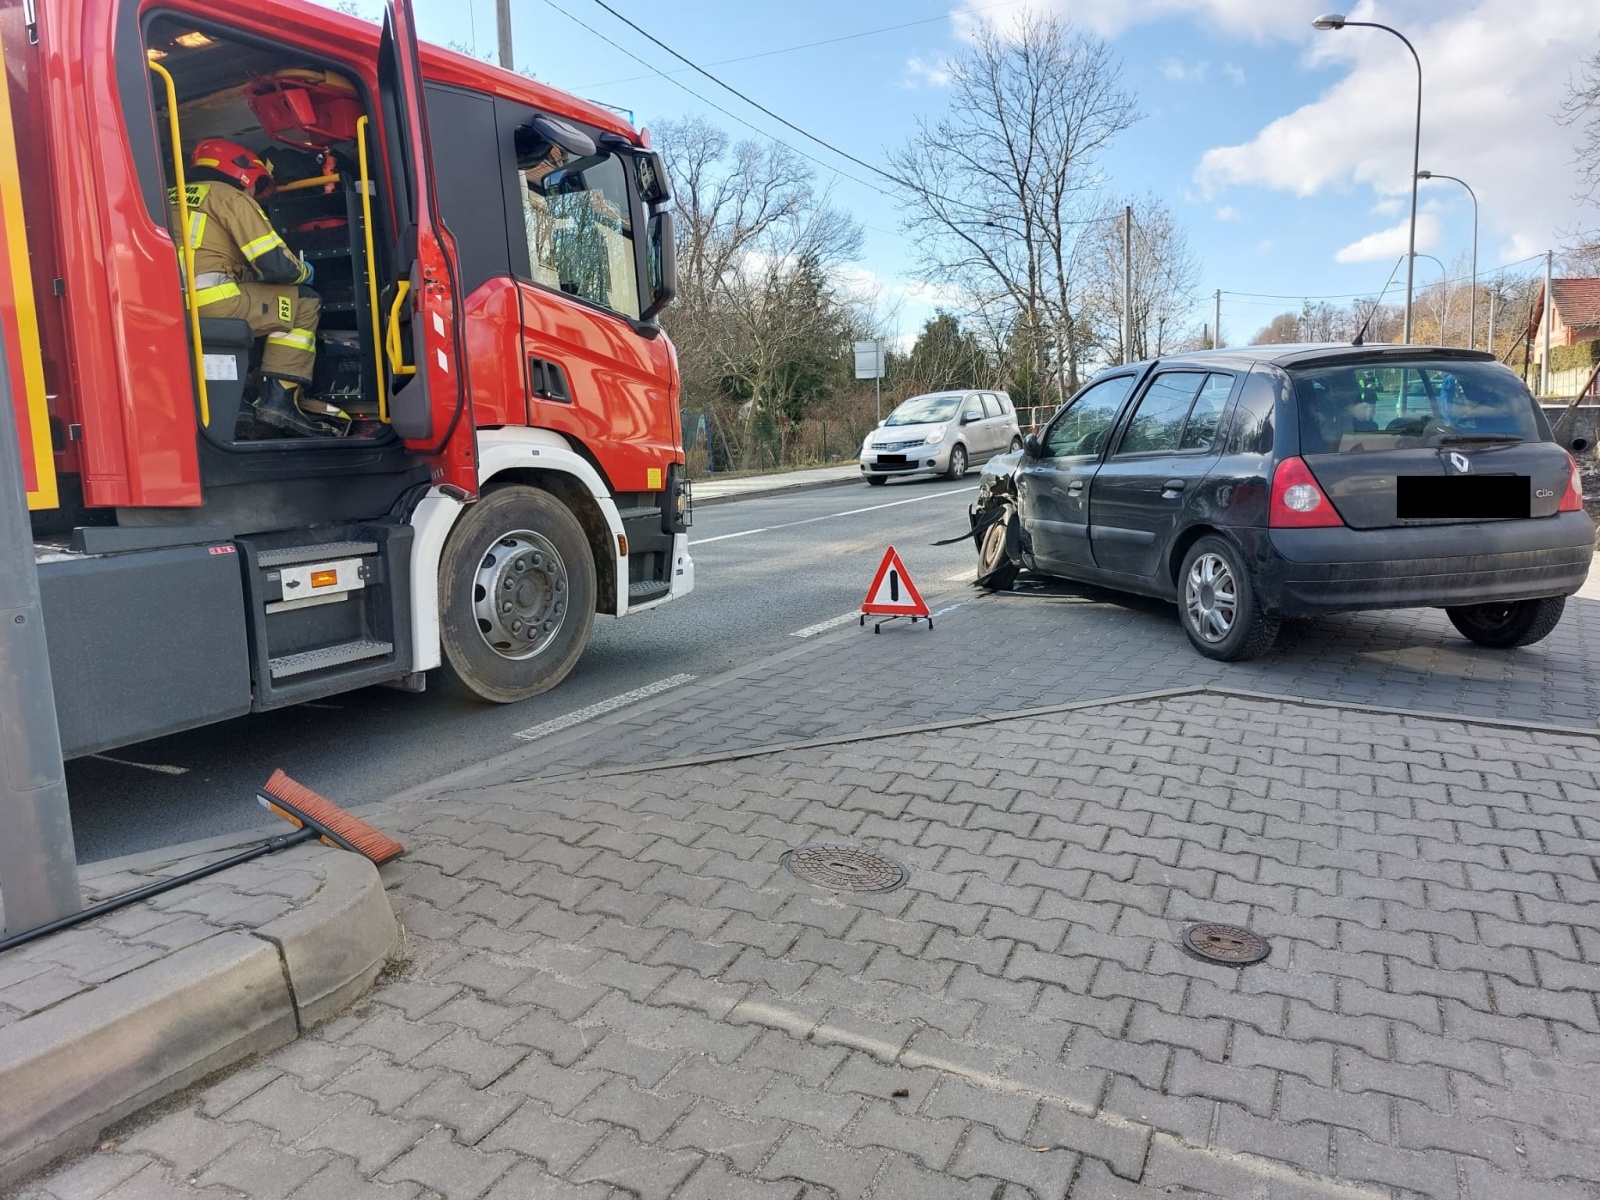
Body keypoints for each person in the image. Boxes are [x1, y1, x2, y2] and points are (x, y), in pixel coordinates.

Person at [168, 138, 329, 437]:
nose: (254, 195)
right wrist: (304, 271)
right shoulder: (228, 196)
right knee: (305, 301)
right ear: (245, 173)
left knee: (259, 304)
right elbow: (276, 265)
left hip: (169, 308)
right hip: (214, 302)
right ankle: (279, 402)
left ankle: (237, 401)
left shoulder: (168, 196)